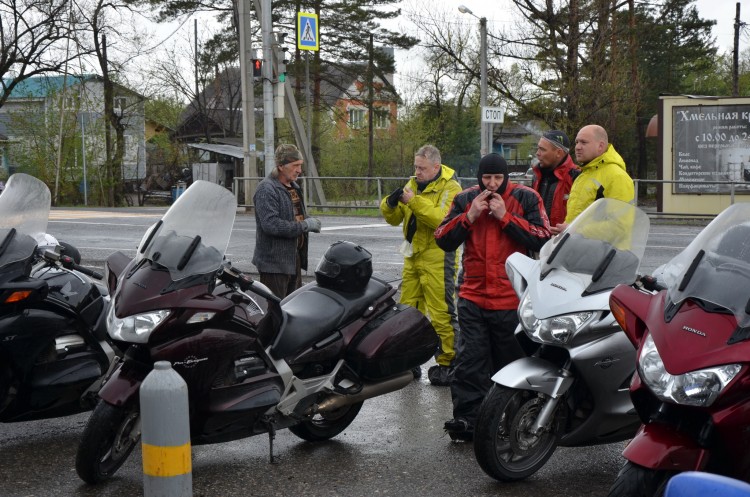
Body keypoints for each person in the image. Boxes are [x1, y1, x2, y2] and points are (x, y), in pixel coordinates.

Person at [434, 152, 551, 440]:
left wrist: (505, 218)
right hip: (473, 296)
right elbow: (442, 238)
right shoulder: (465, 199)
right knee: (469, 363)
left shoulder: (526, 197)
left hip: (511, 299)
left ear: (506, 177)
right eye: (487, 178)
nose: (492, 184)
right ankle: (467, 422)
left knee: (512, 364)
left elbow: (543, 237)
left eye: (498, 178)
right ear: (479, 177)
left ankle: (514, 420)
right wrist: (470, 215)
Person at [379, 144, 462, 386]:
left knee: (441, 312)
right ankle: (408, 360)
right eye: (415, 167)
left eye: (422, 168)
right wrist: (390, 204)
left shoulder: (451, 187)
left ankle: (448, 363)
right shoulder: (412, 185)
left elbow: (441, 220)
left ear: (436, 167)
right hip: (413, 255)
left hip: (439, 257)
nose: (417, 172)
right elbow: (394, 219)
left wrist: (413, 202)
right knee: (407, 309)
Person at [252, 143, 322, 299]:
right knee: (274, 314)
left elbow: (293, 217)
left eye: (300, 165)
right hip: (274, 265)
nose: (299, 170)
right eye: (295, 165)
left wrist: (307, 220)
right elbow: (271, 225)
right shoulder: (267, 189)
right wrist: (304, 225)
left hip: (292, 260)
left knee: (292, 311)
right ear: (281, 166)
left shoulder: (294, 187)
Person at [550, 124, 634, 235]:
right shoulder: (584, 175)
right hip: (582, 248)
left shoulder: (617, 177)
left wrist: (573, 230)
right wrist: (565, 231)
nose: (578, 147)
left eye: (584, 142)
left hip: (605, 251)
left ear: (600, 146)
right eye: (576, 142)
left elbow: (620, 226)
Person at [531, 130, 580, 227]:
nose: (537, 153)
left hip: (564, 240)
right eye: (538, 148)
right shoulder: (537, 175)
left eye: (542, 149)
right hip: (539, 238)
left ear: (558, 153)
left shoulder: (577, 177)